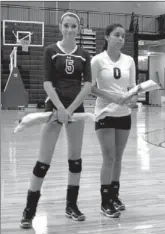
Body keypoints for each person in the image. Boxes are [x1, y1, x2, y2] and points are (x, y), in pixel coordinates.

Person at [20, 12, 92, 228]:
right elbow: (47, 83)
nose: (70, 30)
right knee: (43, 162)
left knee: (75, 160)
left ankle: (71, 206)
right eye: (67, 26)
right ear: (61, 27)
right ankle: (29, 211)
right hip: (54, 108)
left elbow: (87, 85)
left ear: (78, 29)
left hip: (75, 109)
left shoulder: (84, 54)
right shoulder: (51, 51)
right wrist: (60, 108)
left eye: (74, 26)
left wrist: (70, 109)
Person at [90, 23, 138, 218]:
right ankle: (105, 201)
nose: (120, 39)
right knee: (108, 158)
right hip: (105, 113)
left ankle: (114, 195)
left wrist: (133, 98)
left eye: (123, 36)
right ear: (107, 37)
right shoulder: (97, 61)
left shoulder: (129, 61)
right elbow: (91, 88)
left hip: (124, 115)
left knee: (118, 158)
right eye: (117, 35)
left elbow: (133, 87)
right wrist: (113, 98)